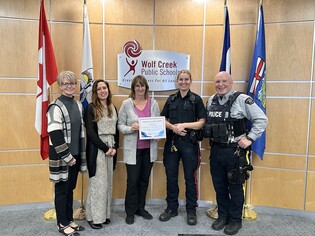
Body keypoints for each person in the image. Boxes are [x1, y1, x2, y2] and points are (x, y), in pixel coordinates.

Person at [204, 71, 267, 235]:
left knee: (235, 187)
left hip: (235, 152)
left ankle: (235, 220)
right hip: (216, 150)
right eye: (217, 81)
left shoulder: (241, 99)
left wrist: (250, 138)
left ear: (231, 83)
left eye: (224, 81)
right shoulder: (211, 100)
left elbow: (262, 119)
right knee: (219, 187)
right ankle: (222, 216)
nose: (220, 84)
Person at [159, 69, 207, 226]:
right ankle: (171, 208)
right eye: (181, 79)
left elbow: (201, 122)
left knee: (189, 178)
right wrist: (173, 128)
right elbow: (162, 119)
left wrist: (183, 125)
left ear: (190, 81)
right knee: (171, 177)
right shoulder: (172, 99)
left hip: (189, 144)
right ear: (177, 81)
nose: (183, 82)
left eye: (186, 79)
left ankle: (191, 210)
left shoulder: (196, 100)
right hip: (172, 143)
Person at [46, 71, 87, 236]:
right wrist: (68, 157)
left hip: (76, 155)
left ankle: (69, 220)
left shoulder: (77, 104)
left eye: (72, 83)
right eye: (65, 83)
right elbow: (55, 135)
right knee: (62, 191)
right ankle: (61, 224)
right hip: (62, 157)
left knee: (70, 189)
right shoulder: (55, 106)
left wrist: (75, 157)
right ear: (60, 85)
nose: (69, 86)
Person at [118, 75, 160, 225]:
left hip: (149, 150)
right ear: (133, 88)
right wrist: (131, 128)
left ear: (146, 88)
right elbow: (120, 125)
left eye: (143, 86)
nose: (140, 88)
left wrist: (157, 134)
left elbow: (157, 123)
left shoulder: (153, 103)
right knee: (133, 181)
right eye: (137, 86)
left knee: (144, 180)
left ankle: (140, 209)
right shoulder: (126, 104)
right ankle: (130, 211)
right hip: (133, 151)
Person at [84, 80, 119, 229]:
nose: (102, 91)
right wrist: (105, 148)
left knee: (107, 184)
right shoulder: (91, 108)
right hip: (97, 150)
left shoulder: (113, 107)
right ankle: (93, 217)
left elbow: (116, 130)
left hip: (111, 149)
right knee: (98, 184)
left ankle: (103, 215)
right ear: (95, 92)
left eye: (104, 88)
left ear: (108, 90)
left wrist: (115, 147)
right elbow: (90, 133)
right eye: (99, 89)